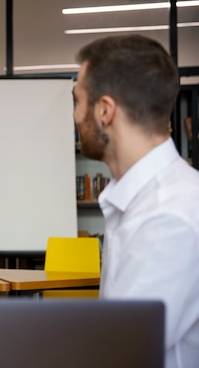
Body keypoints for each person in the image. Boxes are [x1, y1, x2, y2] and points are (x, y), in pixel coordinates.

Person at [73, 34, 199, 368]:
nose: (74, 116)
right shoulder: (143, 200)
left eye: (78, 101)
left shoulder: (169, 217)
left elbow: (121, 354)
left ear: (104, 111)